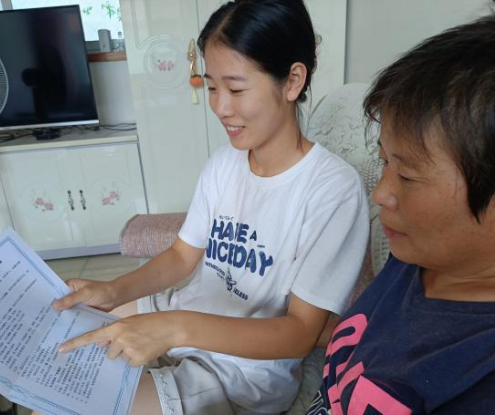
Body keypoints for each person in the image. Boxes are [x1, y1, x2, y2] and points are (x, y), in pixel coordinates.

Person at [35, 1, 369, 414]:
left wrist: (173, 330)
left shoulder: (333, 189)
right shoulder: (224, 162)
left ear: (292, 81)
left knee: (70, 403)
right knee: (55, 342)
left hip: (240, 372)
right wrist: (113, 290)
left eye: (236, 89)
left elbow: (301, 333)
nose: (221, 107)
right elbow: (181, 256)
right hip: (180, 311)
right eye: (212, 87)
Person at [308, 15, 495, 414]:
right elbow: (374, 338)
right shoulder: (416, 255)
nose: (380, 194)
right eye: (384, 161)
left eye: (407, 175)